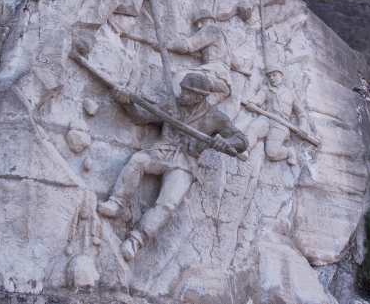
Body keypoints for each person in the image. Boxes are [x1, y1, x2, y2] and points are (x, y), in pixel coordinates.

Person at [97, 73, 248, 261]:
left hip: (185, 164)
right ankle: (116, 202)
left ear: (200, 96)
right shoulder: (172, 105)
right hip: (161, 153)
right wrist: (125, 101)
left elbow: (242, 140)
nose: (182, 94)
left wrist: (225, 143)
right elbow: (141, 116)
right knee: (138, 160)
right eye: (183, 90)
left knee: (167, 204)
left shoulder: (215, 117)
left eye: (187, 92)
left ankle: (136, 239)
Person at [243, 65, 308, 165]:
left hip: (281, 124)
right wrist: (252, 103)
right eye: (269, 76)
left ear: (281, 76)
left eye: (274, 75)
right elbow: (258, 99)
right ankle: (245, 150)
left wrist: (303, 127)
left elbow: (301, 113)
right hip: (266, 117)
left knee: (271, 153)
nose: (271, 78)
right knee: (253, 128)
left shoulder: (290, 94)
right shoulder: (266, 89)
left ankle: (289, 152)